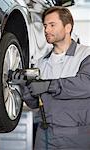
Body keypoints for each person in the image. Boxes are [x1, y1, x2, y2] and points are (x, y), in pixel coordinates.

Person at [13, 6, 90, 150]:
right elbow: (35, 103)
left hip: (77, 134)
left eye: (52, 25)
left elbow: (86, 84)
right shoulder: (41, 63)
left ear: (68, 27)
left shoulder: (85, 54)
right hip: (45, 132)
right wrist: (23, 86)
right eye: (45, 26)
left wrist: (49, 85)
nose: (47, 30)